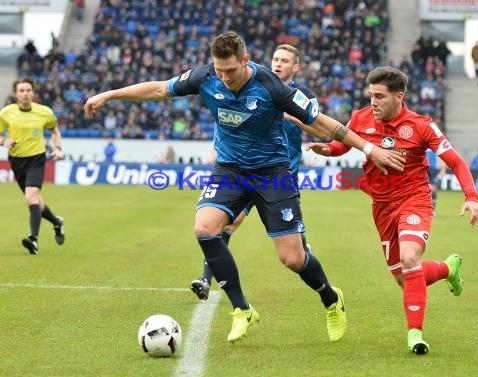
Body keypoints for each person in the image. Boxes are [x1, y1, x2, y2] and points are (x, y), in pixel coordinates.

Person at [83, 31, 406, 343]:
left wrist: (369, 149)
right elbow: (159, 90)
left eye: (232, 70)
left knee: (293, 258)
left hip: (273, 174)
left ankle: (330, 298)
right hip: (230, 170)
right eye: (220, 70)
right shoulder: (205, 76)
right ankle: (242, 309)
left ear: (246, 60)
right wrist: (109, 94)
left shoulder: (271, 86)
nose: (224, 77)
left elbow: (322, 123)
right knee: (205, 228)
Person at [306, 66, 478, 354]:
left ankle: (415, 335)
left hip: (415, 199)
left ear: (399, 96)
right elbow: (343, 144)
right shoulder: (361, 117)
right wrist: (328, 149)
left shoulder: (422, 125)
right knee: (405, 277)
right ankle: (448, 267)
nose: (372, 102)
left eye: (379, 96)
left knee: (410, 257)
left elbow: (457, 162)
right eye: (370, 95)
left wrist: (471, 197)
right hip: (382, 206)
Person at [190, 44, 316, 302]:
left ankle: (310, 263)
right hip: (244, 172)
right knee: (228, 223)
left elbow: (317, 124)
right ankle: (205, 278)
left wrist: (291, 116)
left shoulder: (301, 94)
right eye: (275, 58)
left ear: (296, 67)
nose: (278, 64)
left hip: (280, 176)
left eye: (284, 60)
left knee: (294, 252)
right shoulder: (255, 87)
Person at [0, 78, 65, 254]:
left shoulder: (44, 112)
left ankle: (33, 240)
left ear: (33, 92)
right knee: (35, 201)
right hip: (16, 161)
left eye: (28, 90)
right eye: (21, 90)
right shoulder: (6, 113)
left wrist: (58, 149)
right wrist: (4, 140)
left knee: (31, 195)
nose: (25, 93)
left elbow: (55, 131)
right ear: (16, 93)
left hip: (36, 158)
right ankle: (57, 222)